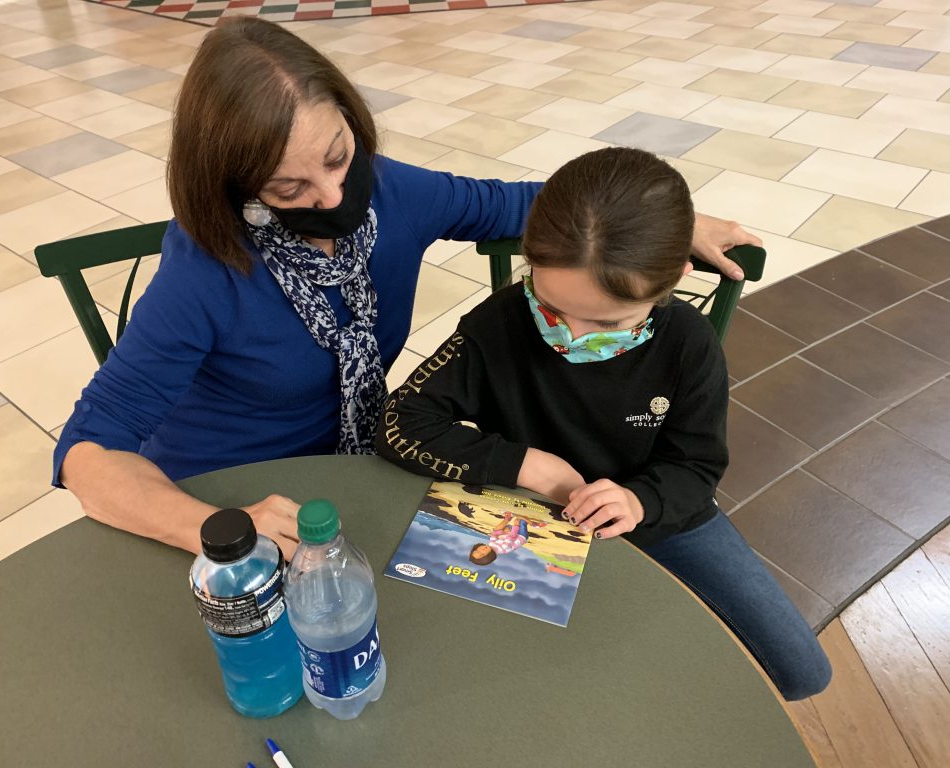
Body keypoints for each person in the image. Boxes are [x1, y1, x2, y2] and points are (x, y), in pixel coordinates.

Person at [52, 17, 760, 562]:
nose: (334, 196)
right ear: (237, 188)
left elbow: (515, 202)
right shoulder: (204, 270)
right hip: (233, 493)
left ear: (351, 118)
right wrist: (214, 525)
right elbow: (88, 450)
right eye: (289, 187)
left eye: (337, 155)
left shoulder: (391, 192)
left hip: (365, 468)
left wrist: (663, 228)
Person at [374, 147, 831, 701]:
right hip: (529, 513)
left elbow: (696, 466)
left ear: (670, 285)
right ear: (530, 262)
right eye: (550, 303)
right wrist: (533, 467)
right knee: (527, 682)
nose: (573, 336)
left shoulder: (687, 342)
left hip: (658, 518)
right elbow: (400, 421)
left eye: (609, 321)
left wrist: (639, 502)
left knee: (803, 672)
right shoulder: (499, 322)